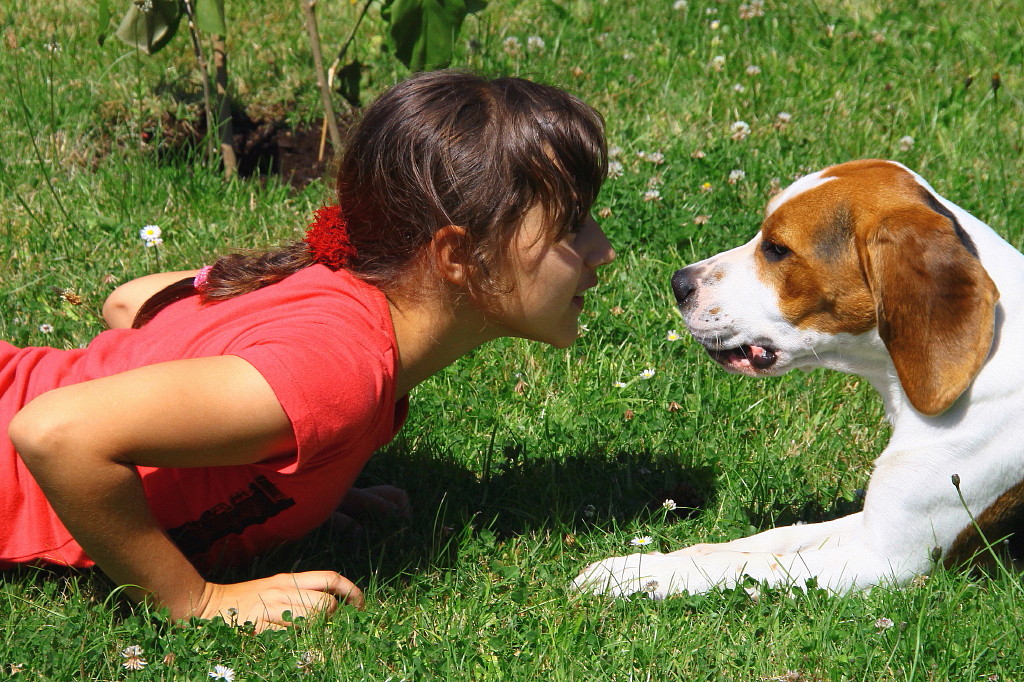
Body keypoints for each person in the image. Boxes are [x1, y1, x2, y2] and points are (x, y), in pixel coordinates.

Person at [1, 70, 615, 632]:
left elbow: (129, 301)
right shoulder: (333, 372)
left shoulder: (337, 285)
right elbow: (55, 433)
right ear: (458, 257)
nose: (603, 249)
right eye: (571, 226)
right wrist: (195, 601)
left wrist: (301, 475)